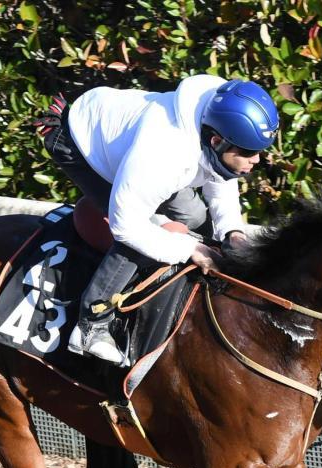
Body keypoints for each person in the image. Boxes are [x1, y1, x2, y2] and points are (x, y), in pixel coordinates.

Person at [37, 75, 278, 364]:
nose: (258, 160)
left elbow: (222, 177)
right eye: (250, 153)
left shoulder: (215, 124)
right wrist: (189, 248)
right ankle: (92, 324)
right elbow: (127, 226)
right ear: (216, 141)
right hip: (80, 145)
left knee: (194, 216)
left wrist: (232, 232)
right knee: (149, 236)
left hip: (136, 152)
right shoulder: (165, 154)